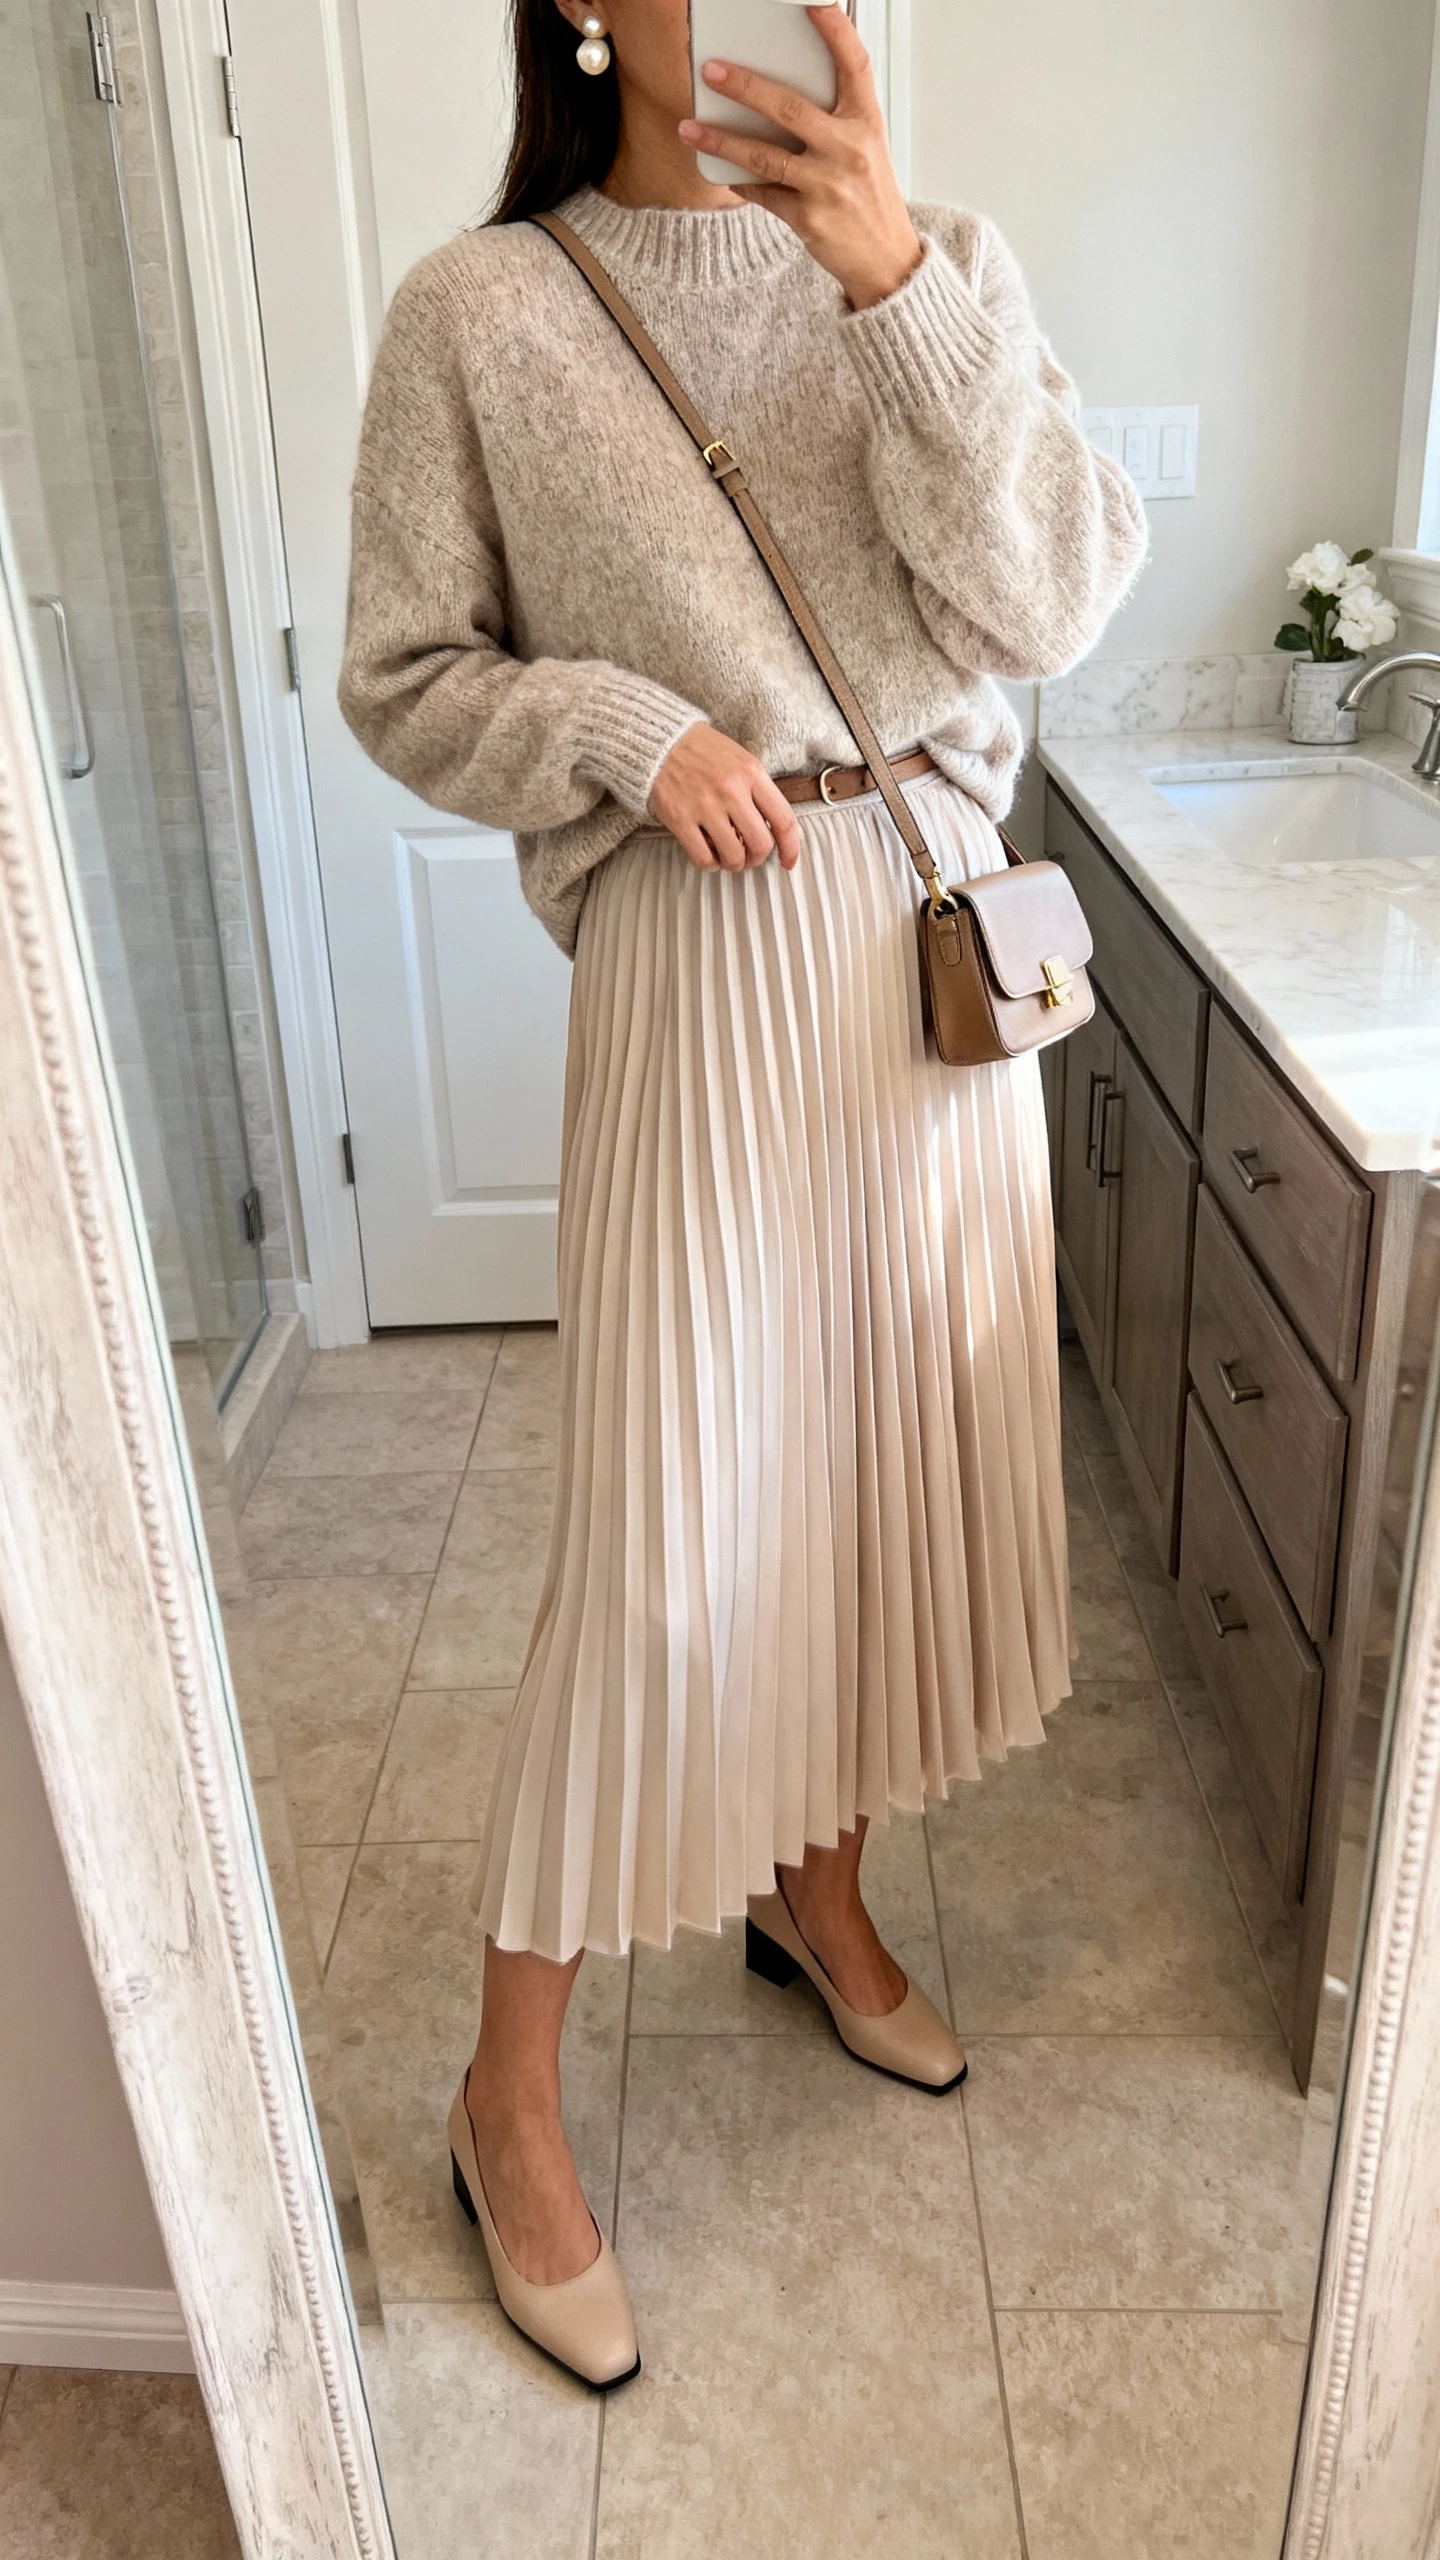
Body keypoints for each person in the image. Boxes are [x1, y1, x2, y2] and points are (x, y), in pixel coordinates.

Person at [338, 0, 1146, 2389]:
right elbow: (401, 669)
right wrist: (621, 724)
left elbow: (1056, 598)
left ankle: (819, 1883)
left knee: (898, 1470)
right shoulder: (482, 312)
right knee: (674, 1537)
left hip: (934, 945)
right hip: (704, 964)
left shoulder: (942, 258)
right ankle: (506, 2092)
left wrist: (902, 288)